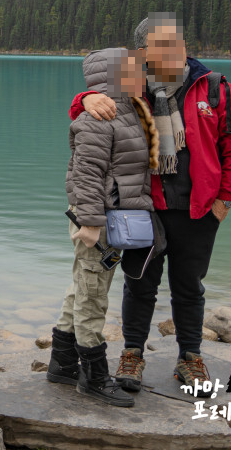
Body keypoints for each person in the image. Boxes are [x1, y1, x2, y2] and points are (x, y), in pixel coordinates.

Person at [69, 12, 231, 391]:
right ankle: (132, 355)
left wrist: (225, 201)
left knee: (189, 287)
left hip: (199, 209)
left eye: (179, 43)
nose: (175, 51)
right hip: (143, 207)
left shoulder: (216, 89)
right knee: (139, 284)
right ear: (142, 53)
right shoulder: (130, 87)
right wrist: (86, 98)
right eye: (163, 45)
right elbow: (85, 116)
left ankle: (190, 358)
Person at [48, 47, 158, 407]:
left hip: (110, 218)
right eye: (132, 69)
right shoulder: (97, 118)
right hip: (98, 221)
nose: (140, 75)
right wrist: (92, 224)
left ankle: (62, 363)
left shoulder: (128, 109)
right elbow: (86, 175)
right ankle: (93, 376)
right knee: (93, 293)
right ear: (113, 75)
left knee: (82, 285)